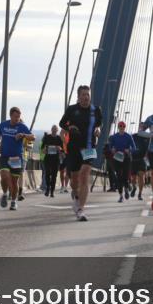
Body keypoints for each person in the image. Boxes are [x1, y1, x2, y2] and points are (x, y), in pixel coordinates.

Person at [59, 85, 102, 221]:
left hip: (89, 147)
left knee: (84, 175)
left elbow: (99, 124)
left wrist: (98, 130)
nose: (85, 97)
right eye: (83, 94)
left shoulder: (96, 110)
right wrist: (69, 127)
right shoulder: (72, 109)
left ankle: (81, 210)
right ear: (78, 97)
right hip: (73, 149)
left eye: (87, 94)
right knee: (74, 181)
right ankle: (76, 196)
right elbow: (62, 123)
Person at [0, 107, 31, 211]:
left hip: (16, 158)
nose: (17, 119)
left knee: (15, 183)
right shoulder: (3, 124)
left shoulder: (21, 126)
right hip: (5, 156)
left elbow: (33, 137)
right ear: (10, 115)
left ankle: (14, 202)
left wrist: (23, 135)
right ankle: (5, 194)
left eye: (19, 117)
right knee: (4, 176)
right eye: (15, 117)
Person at [108, 121, 136, 202]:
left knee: (125, 176)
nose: (121, 128)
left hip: (126, 158)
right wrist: (112, 149)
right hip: (117, 158)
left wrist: (129, 150)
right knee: (119, 177)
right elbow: (110, 146)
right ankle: (121, 196)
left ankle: (126, 189)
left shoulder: (128, 136)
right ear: (118, 127)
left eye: (123, 126)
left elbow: (134, 148)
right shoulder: (114, 137)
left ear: (125, 127)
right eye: (120, 126)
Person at [40, 125, 63, 197]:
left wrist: (59, 149)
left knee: (54, 176)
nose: (54, 131)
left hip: (56, 159)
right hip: (48, 158)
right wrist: (45, 149)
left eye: (55, 129)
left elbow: (62, 150)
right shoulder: (47, 137)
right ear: (51, 130)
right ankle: (47, 189)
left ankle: (52, 192)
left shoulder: (59, 138)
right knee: (47, 174)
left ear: (57, 131)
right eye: (53, 129)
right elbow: (42, 148)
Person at [131, 126, 151, 201]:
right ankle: (134, 187)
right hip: (133, 159)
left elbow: (150, 146)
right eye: (140, 127)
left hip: (142, 159)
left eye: (143, 127)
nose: (141, 128)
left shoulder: (148, 137)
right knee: (133, 178)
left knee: (141, 176)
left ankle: (140, 193)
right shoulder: (133, 136)